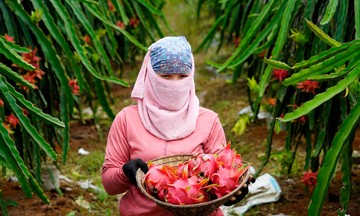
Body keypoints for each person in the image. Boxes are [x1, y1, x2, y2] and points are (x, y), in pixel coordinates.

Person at [102, 36, 253, 216]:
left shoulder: (208, 120)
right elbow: (109, 185)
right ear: (149, 75)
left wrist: (232, 192)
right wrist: (125, 173)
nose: (174, 84)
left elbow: (221, 175)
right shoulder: (127, 119)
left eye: (182, 76)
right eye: (165, 76)